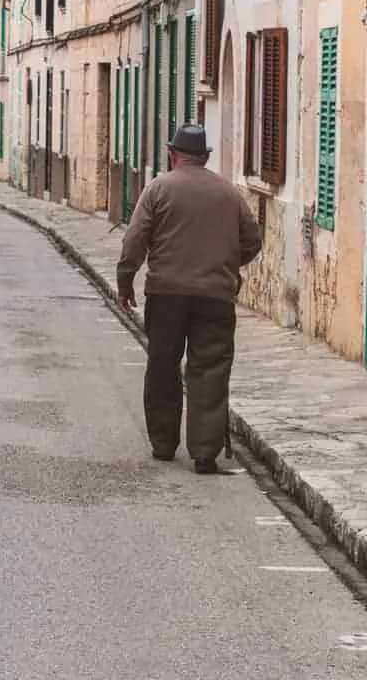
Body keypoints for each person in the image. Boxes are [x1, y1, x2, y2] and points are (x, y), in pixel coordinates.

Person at [117, 124, 262, 474]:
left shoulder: (159, 189)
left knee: (163, 365)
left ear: (173, 154)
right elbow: (252, 241)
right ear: (206, 157)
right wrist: (225, 264)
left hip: (166, 294)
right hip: (215, 295)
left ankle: (164, 443)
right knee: (209, 370)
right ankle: (204, 451)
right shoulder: (229, 195)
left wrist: (126, 282)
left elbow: (135, 240)